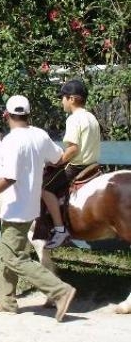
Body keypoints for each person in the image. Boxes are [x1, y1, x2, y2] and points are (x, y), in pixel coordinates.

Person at [0, 95, 76, 322]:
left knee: (15, 258)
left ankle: (60, 291)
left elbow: (8, 179)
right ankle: (7, 301)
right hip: (30, 205)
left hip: (15, 207)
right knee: (4, 253)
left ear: (6, 115)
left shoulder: (12, 141)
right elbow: (57, 158)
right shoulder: (39, 135)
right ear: (28, 114)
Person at [42, 79, 101, 249]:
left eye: (63, 97)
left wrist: (57, 161)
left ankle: (60, 230)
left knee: (45, 188)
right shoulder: (91, 117)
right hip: (93, 165)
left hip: (76, 167)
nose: (62, 101)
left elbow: (73, 149)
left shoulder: (74, 119)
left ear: (72, 99)